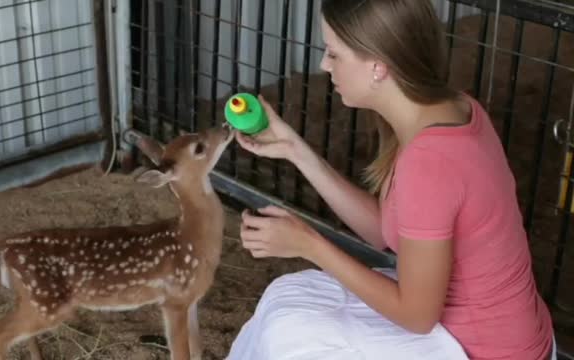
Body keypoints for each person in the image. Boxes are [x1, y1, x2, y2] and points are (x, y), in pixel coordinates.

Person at [225, 0, 556, 359]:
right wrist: (294, 149)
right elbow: (384, 230)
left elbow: (417, 316)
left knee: (290, 339)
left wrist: (310, 244)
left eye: (334, 54)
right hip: (496, 333)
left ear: (378, 66)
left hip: (483, 350)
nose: (324, 64)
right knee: (285, 298)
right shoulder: (448, 109)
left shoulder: (428, 163)